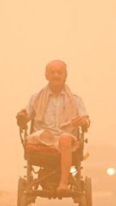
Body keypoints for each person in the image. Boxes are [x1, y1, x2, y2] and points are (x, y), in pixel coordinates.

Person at [16, 60, 90, 194]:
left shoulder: (76, 100)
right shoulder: (36, 98)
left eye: (59, 72)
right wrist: (21, 117)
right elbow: (25, 116)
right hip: (42, 138)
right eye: (52, 72)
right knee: (46, 135)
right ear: (46, 76)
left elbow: (85, 120)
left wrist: (83, 122)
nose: (56, 75)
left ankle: (63, 183)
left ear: (65, 75)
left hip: (66, 141)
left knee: (65, 138)